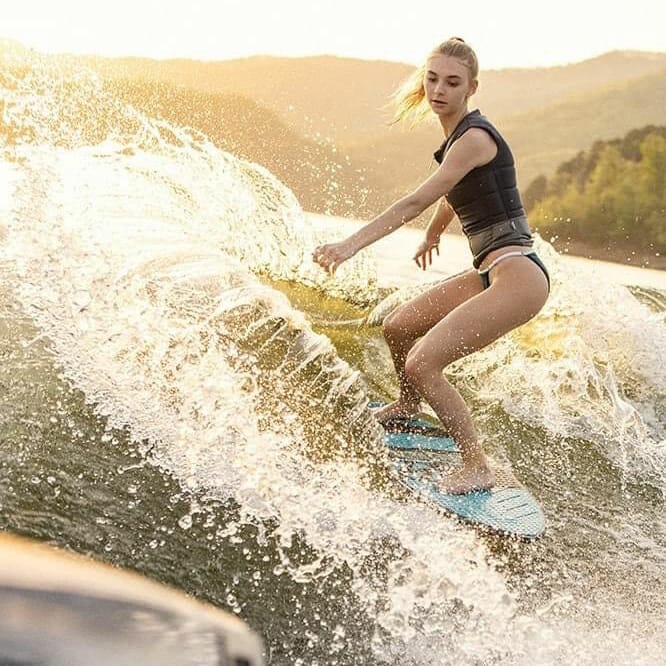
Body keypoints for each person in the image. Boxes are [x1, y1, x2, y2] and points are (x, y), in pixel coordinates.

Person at [312, 38, 550, 494]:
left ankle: (477, 465)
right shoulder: (459, 139)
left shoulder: (475, 137)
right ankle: (407, 405)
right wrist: (435, 232)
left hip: (518, 274)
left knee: (424, 363)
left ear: (471, 88)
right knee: (400, 327)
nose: (440, 89)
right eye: (433, 78)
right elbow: (457, 192)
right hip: (491, 271)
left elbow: (420, 196)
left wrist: (350, 244)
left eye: (452, 82)